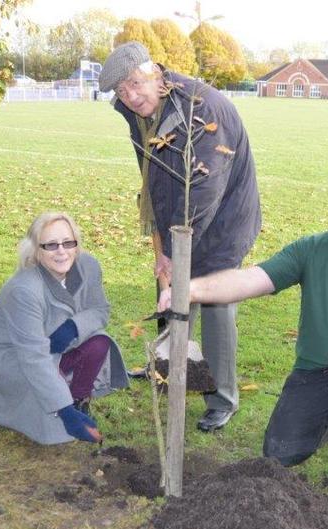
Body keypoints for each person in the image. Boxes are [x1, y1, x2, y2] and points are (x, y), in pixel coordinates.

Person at [159, 168, 328, 495]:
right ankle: (327, 420)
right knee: (279, 453)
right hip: (318, 370)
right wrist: (189, 290)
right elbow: (250, 279)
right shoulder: (312, 249)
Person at [98, 42, 261, 433]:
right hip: (174, 217)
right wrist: (161, 247)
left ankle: (222, 398)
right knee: (169, 294)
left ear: (155, 71)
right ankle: (167, 367)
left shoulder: (201, 110)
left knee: (217, 305)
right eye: (122, 91)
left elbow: (204, 190)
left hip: (223, 221)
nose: (131, 96)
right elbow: (151, 177)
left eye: (136, 83)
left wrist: (173, 252)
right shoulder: (139, 115)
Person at [0, 213, 129, 445]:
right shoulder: (23, 289)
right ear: (36, 250)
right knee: (56, 433)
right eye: (50, 245)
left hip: (47, 346)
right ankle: (29, 405)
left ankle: (77, 400)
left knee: (99, 341)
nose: (61, 251)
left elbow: (100, 309)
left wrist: (73, 328)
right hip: (8, 356)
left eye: (68, 242)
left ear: (76, 244)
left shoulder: (88, 266)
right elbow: (33, 358)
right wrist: (64, 413)